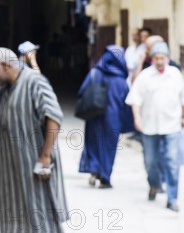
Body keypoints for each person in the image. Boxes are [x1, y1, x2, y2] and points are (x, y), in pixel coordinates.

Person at [0, 48, 68, 233]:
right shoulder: (1, 89)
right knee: (12, 206)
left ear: (7, 65)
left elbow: (54, 117)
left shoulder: (35, 81)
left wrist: (45, 156)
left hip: (34, 158)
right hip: (9, 162)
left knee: (40, 207)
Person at [126, 42, 184, 212]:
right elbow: (135, 99)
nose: (159, 61)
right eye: (157, 58)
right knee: (150, 161)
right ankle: (154, 185)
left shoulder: (175, 74)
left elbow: (182, 98)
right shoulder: (145, 76)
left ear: (167, 58)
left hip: (172, 124)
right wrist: (137, 118)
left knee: (172, 161)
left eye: (162, 58)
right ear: (152, 59)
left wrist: (182, 116)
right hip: (150, 125)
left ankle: (172, 198)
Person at [78, 45, 134, 188]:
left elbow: (82, 92)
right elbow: (127, 103)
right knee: (109, 147)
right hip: (113, 119)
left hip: (94, 115)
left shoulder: (95, 73)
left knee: (93, 143)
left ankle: (94, 169)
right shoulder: (121, 80)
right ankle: (104, 178)